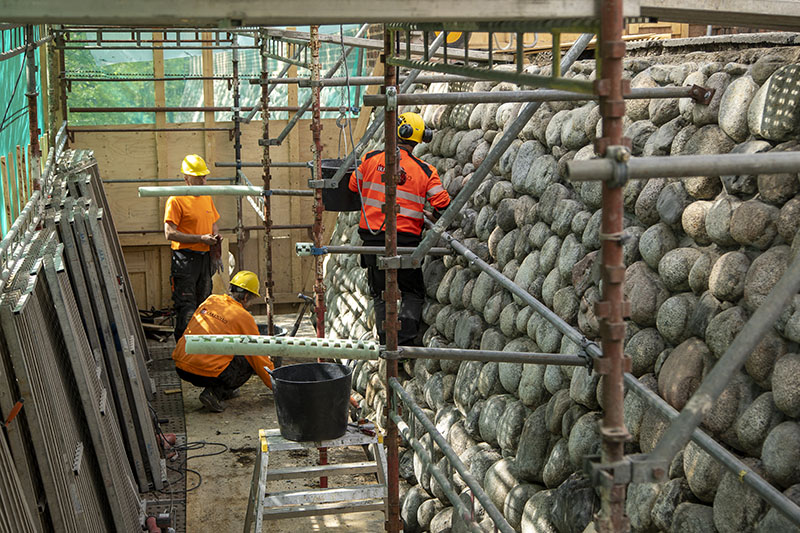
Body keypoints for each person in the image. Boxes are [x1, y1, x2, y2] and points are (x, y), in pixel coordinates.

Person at [348, 112, 450, 346]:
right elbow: (443, 204)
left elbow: (353, 186)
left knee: (380, 293)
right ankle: (404, 342)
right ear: (420, 138)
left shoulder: (371, 159)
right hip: (407, 243)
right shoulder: (425, 171)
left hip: (372, 243)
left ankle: (386, 340)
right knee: (412, 292)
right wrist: (431, 215)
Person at [172, 270, 273, 413]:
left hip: (181, 366)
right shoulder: (243, 316)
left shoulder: (211, 300)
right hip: (204, 372)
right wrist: (275, 384)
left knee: (228, 348)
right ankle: (215, 393)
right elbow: (258, 357)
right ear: (245, 297)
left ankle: (224, 390)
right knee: (247, 361)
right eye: (251, 300)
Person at [164, 154, 223, 341]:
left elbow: (213, 222)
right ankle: (183, 351)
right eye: (199, 177)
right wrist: (200, 238)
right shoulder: (176, 199)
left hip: (204, 258)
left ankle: (201, 350)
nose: (203, 180)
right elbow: (169, 233)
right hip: (185, 260)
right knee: (186, 307)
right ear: (186, 178)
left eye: (204, 177)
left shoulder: (206, 197)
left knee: (204, 304)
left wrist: (213, 239)